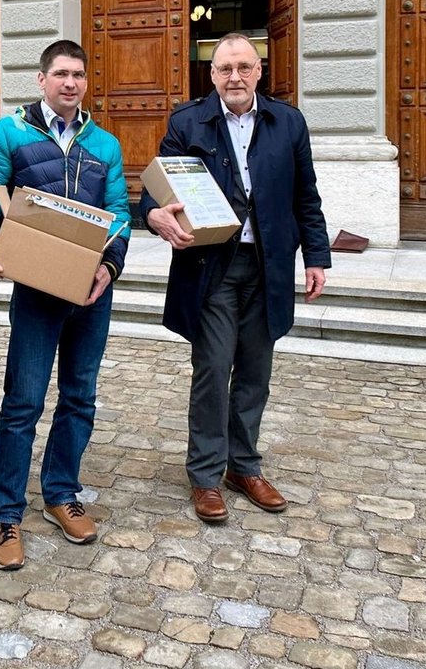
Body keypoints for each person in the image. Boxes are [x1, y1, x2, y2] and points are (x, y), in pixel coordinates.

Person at [140, 32, 330, 524]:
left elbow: (305, 195)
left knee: (255, 373)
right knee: (212, 368)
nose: (235, 77)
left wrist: (316, 256)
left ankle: (243, 466)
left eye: (244, 67)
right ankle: (205, 474)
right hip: (212, 268)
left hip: (268, 268)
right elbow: (155, 187)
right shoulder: (188, 121)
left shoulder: (288, 122)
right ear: (212, 74)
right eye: (225, 69)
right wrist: (154, 215)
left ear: (260, 70)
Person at [0, 39, 131, 570]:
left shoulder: (104, 144)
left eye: (79, 75)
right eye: (61, 74)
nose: (70, 83)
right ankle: (6, 512)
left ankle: (61, 493)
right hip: (37, 292)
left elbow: (119, 212)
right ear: (40, 80)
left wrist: (108, 269)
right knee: (23, 402)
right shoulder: (9, 132)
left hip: (90, 292)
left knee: (80, 397)